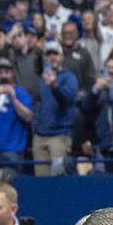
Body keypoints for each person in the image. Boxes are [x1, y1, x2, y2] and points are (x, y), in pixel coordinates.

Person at [33, 41, 79, 177]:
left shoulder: (69, 77)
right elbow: (37, 105)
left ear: (62, 57)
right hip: (40, 136)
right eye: (48, 54)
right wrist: (35, 127)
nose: (52, 57)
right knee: (40, 181)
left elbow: (68, 99)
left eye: (55, 54)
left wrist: (54, 86)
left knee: (58, 179)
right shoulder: (41, 80)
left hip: (59, 135)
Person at [0, 58, 35, 167]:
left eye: (6, 72)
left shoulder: (20, 92)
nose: (3, 76)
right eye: (0, 73)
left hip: (12, 149)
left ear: (12, 74)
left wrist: (13, 98)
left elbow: (28, 116)